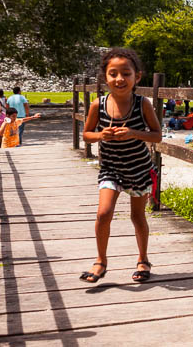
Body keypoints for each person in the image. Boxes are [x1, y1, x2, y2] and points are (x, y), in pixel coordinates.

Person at [80, 48, 162, 284]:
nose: (119, 79)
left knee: (138, 216)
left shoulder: (142, 104)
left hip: (139, 169)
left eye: (126, 73)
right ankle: (100, 261)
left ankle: (143, 259)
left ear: (137, 77)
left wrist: (133, 133)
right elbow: (86, 134)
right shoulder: (99, 104)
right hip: (111, 169)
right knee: (103, 213)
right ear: (105, 77)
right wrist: (101, 136)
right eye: (113, 73)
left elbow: (156, 136)